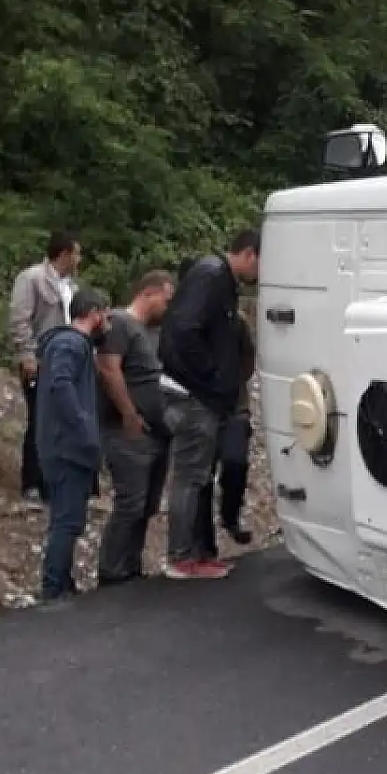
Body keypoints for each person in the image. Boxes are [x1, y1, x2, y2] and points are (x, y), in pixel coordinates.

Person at [158, 227, 260, 580]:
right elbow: (184, 329)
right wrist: (211, 375)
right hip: (196, 395)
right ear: (249, 254)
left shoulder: (220, 282)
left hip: (205, 396)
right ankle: (181, 556)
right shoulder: (211, 276)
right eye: (261, 265)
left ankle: (200, 552)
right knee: (190, 477)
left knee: (200, 476)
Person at [94, 269, 176, 585]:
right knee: (130, 502)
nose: (168, 308)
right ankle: (112, 572)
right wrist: (128, 414)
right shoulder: (119, 324)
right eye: (166, 301)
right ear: (149, 293)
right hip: (127, 432)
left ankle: (130, 566)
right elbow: (108, 368)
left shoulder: (148, 331)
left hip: (155, 431)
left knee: (146, 504)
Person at [34, 286, 111, 604]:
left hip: (60, 444)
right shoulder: (71, 344)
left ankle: (61, 580)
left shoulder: (67, 344)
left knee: (66, 518)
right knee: (67, 520)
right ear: (94, 313)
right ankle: (53, 588)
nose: (107, 321)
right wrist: (84, 429)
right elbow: (61, 385)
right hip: (67, 447)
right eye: (105, 314)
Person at [7, 231, 82, 505]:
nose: (79, 259)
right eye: (77, 253)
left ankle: (53, 481)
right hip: (40, 360)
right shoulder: (32, 279)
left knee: (61, 422)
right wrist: (26, 354)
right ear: (64, 254)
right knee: (39, 419)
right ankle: (31, 483)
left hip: (65, 363)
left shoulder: (71, 288)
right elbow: (20, 318)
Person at [201, 308, 256, 559]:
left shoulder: (237, 320)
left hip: (234, 403)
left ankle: (230, 516)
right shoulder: (189, 321)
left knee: (236, 463)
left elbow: (248, 357)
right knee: (202, 474)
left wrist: (232, 382)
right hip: (201, 403)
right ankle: (203, 540)